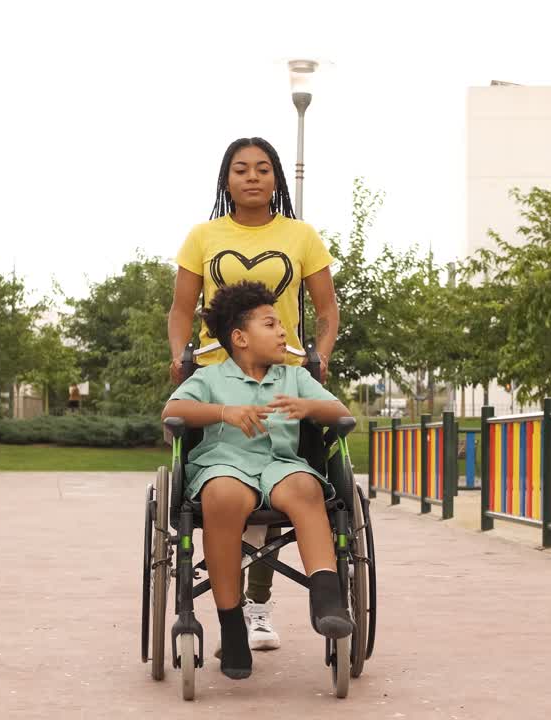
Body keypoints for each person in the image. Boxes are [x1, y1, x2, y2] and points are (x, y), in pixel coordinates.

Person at [168, 136, 339, 651]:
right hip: (217, 370)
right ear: (226, 180)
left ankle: (258, 607)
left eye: (263, 169)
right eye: (240, 169)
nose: (252, 177)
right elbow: (181, 310)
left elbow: (327, 310)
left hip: (283, 369)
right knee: (228, 492)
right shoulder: (203, 235)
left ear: (276, 178)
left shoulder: (301, 235)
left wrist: (320, 355)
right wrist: (179, 356)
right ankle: (236, 616)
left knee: (288, 486)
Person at [162, 281, 354, 680]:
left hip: (280, 465)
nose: (284, 331)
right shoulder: (212, 378)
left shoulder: (294, 377)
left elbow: (341, 412)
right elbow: (172, 411)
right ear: (240, 338)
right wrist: (222, 412)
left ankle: (327, 598)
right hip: (225, 465)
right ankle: (232, 627)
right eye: (271, 324)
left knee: (306, 487)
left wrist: (309, 406)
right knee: (224, 497)